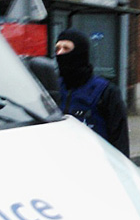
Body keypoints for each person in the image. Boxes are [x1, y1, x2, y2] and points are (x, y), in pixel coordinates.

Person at [55, 29, 130, 157]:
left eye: (66, 48)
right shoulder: (53, 88)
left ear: (80, 52)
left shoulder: (106, 92)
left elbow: (119, 139)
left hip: (96, 164)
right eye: (57, 49)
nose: (60, 53)